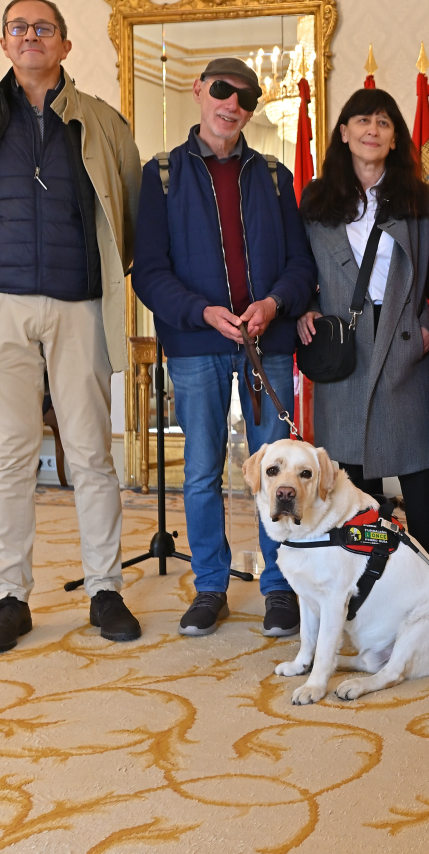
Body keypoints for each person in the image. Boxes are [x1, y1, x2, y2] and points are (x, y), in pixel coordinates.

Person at [0, 0, 143, 656]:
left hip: (79, 305)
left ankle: (105, 588)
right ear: (4, 44)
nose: (31, 37)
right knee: (11, 454)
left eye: (43, 28)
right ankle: (10, 597)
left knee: (90, 453)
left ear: (64, 45)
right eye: (19, 28)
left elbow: (130, 215)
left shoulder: (104, 122)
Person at [131, 57, 317, 638]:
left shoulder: (275, 177)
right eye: (221, 90)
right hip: (195, 344)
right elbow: (149, 272)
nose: (231, 103)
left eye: (245, 96)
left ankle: (279, 586)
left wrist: (273, 305)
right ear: (198, 91)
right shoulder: (160, 175)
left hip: (268, 342)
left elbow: (300, 265)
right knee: (201, 472)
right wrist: (201, 312)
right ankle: (210, 586)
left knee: (277, 473)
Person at [297, 88, 429, 589]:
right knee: (352, 479)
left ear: (395, 138)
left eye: (384, 123)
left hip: (403, 340)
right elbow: (300, 265)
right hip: (341, 346)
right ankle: (367, 581)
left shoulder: (422, 200)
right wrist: (304, 304)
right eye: (362, 120)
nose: (373, 129)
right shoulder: (316, 198)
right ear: (343, 131)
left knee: (417, 472)